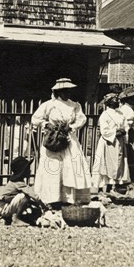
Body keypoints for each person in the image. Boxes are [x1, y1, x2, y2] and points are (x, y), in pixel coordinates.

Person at [31, 78, 91, 206]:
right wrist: (47, 125)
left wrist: (72, 127)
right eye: (64, 91)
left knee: (70, 166)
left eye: (69, 91)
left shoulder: (75, 105)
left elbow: (81, 119)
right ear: (58, 92)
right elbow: (35, 119)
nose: (67, 93)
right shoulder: (49, 105)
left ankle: (68, 198)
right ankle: (51, 198)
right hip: (53, 138)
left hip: (69, 139)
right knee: (53, 167)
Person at [92, 93, 130, 192]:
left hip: (119, 142)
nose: (117, 101)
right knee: (104, 163)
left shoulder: (121, 114)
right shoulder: (105, 115)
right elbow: (104, 130)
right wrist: (115, 133)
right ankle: (101, 187)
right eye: (115, 99)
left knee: (117, 163)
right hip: (108, 142)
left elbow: (125, 125)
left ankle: (112, 186)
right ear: (109, 102)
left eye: (117, 99)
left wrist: (125, 130)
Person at [0, 156, 48, 226]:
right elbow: (33, 195)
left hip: (4, 206)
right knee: (25, 197)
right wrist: (44, 206)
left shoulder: (15, 181)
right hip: (4, 208)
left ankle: (12, 217)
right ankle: (16, 219)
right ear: (22, 171)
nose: (30, 171)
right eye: (27, 169)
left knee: (30, 203)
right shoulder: (18, 183)